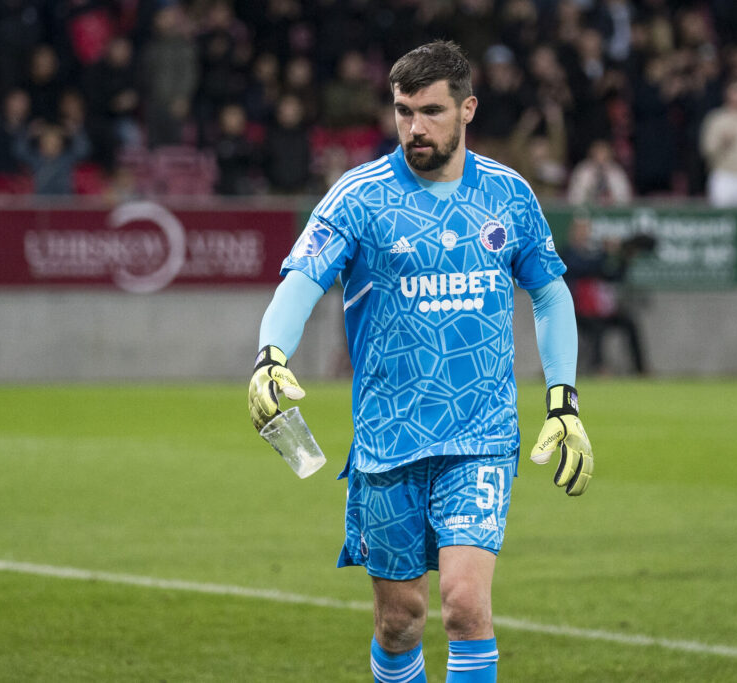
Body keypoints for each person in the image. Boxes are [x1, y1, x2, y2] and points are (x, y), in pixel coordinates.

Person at [248, 41, 594, 683]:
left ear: (467, 109)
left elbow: (549, 292)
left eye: (431, 111)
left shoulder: (508, 195)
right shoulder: (358, 196)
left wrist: (563, 401)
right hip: (389, 439)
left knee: (465, 606)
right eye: (403, 111)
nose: (415, 127)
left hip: (480, 436)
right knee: (399, 620)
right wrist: (271, 356)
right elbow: (300, 280)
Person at [562, 213, 652, 376]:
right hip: (576, 311)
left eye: (586, 230)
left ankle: (640, 369)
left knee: (629, 323)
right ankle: (599, 368)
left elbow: (612, 276)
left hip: (598, 309)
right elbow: (583, 267)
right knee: (596, 328)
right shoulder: (568, 253)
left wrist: (625, 258)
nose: (584, 234)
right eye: (580, 230)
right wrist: (605, 252)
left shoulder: (592, 253)